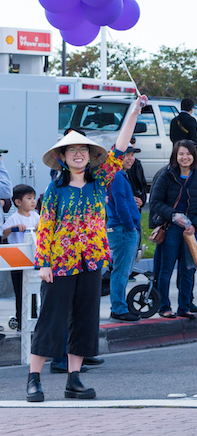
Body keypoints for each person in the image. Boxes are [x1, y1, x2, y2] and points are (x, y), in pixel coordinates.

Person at [26, 95, 145, 402]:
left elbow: (120, 148)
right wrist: (44, 263)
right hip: (60, 264)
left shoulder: (100, 180)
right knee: (51, 319)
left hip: (91, 262)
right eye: (72, 151)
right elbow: (45, 228)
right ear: (63, 157)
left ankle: (74, 379)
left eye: (83, 150)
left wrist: (134, 111)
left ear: (90, 156)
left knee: (84, 319)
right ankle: (34, 379)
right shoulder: (55, 189)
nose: (78, 155)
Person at [149, 140, 197, 320]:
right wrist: (172, 215)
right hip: (171, 229)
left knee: (188, 270)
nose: (185, 157)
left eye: (188, 154)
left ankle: (184, 307)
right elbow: (155, 202)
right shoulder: (166, 175)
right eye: (181, 154)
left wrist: (195, 225)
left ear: (195, 156)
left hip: (191, 231)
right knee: (165, 269)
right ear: (175, 156)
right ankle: (164, 306)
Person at [105, 146, 144, 322]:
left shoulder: (120, 175)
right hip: (123, 230)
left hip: (122, 228)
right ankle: (119, 309)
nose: (131, 158)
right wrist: (130, 226)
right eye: (126, 155)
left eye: (132, 155)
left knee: (121, 270)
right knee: (121, 271)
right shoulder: (118, 176)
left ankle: (120, 307)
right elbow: (120, 205)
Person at [4, 185, 40, 332]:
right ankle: (21, 321)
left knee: (34, 291)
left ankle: (34, 318)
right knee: (20, 292)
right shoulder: (14, 218)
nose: (33, 201)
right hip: (17, 262)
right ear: (18, 202)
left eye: (34, 198)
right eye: (29, 198)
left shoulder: (36, 216)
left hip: (34, 261)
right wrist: (14, 228)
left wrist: (40, 227)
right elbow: (3, 233)